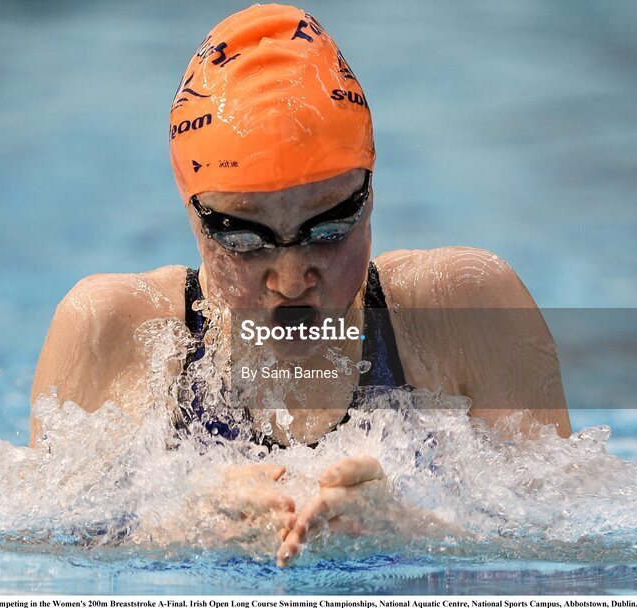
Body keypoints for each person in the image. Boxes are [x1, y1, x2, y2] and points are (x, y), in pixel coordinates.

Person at [28, 4, 570, 566]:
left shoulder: (465, 308)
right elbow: (32, 557)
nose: (291, 280)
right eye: (242, 236)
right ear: (193, 215)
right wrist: (176, 532)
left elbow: (587, 549)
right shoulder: (110, 327)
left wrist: (415, 532)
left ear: (370, 194)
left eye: (330, 228)